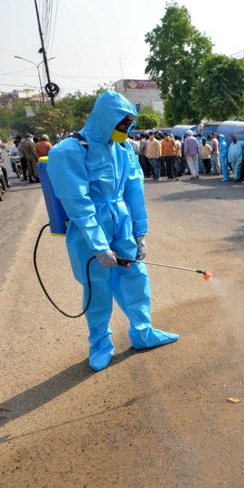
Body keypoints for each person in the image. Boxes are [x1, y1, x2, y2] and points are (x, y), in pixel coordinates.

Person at [47, 91, 178, 372]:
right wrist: (98, 245)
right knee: (98, 287)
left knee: (136, 277)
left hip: (123, 223)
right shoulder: (69, 151)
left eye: (130, 125)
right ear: (105, 119)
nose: (126, 130)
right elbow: (78, 202)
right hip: (91, 228)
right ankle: (99, 343)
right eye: (122, 124)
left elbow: (134, 190)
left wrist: (140, 232)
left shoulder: (124, 149)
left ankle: (143, 331)